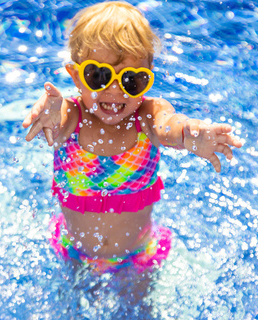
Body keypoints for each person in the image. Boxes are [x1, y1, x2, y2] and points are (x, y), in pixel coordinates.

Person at [22, 0, 242, 299]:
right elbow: (58, 121)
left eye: (132, 80)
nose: (115, 90)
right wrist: (51, 112)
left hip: (137, 257)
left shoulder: (148, 114)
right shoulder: (73, 115)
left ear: (149, 76)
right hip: (74, 251)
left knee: (139, 312)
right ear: (75, 76)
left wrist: (190, 134)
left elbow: (168, 127)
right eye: (98, 76)